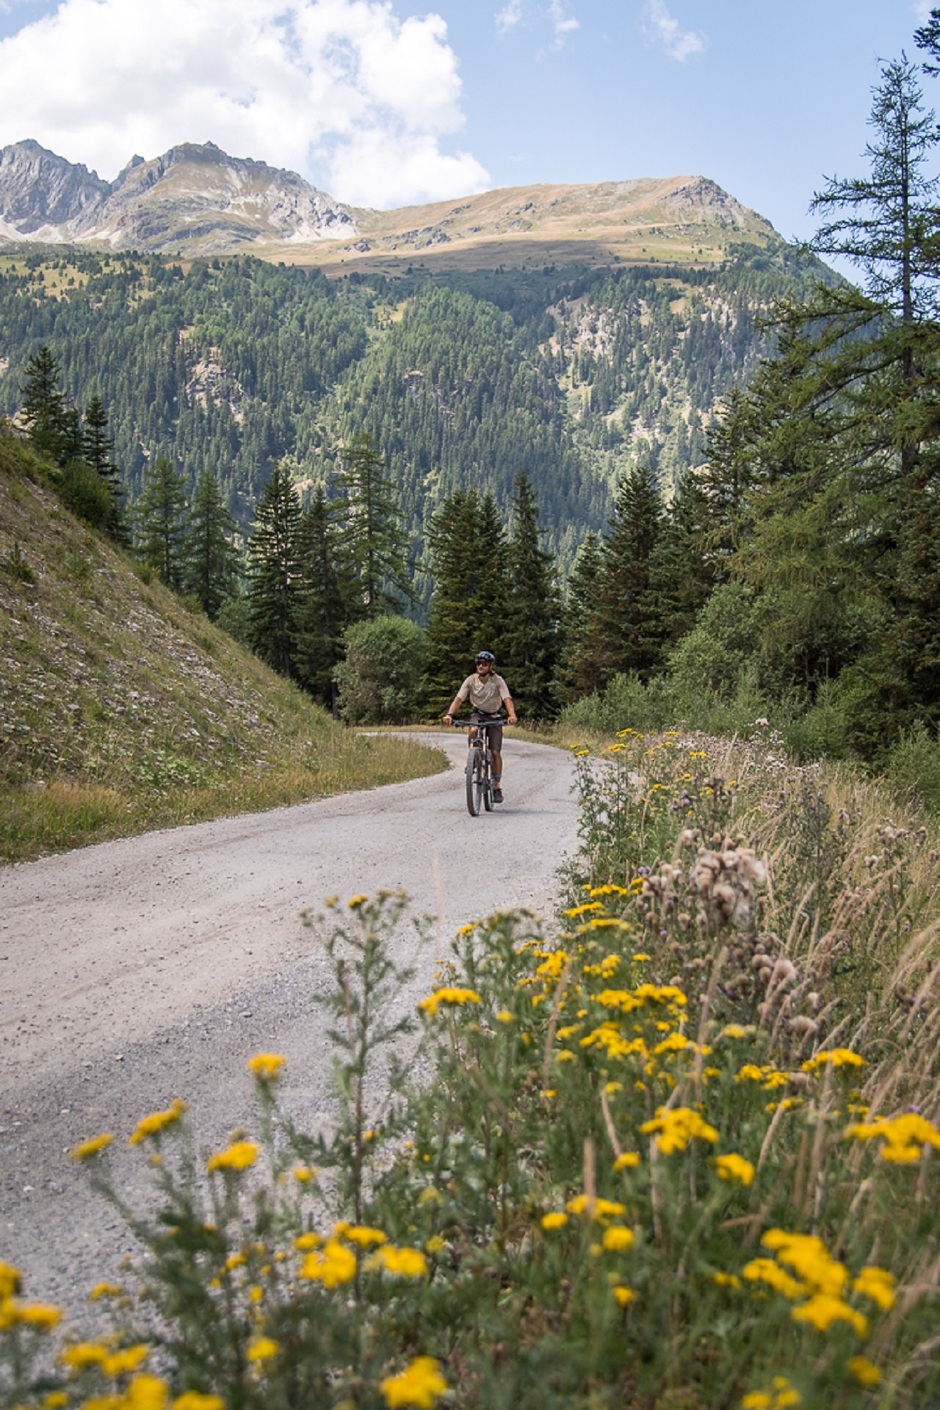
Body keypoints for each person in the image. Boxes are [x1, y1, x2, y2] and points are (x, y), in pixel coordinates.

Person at [443, 650, 517, 804]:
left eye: (484, 663)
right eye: (478, 663)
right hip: (478, 714)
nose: (481, 666)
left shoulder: (497, 681)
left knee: (495, 752)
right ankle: (474, 758)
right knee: (473, 729)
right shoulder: (470, 680)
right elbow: (458, 698)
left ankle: (496, 785)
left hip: (495, 715)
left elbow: (507, 699)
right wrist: (450, 714)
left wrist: (511, 715)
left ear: (490, 666)